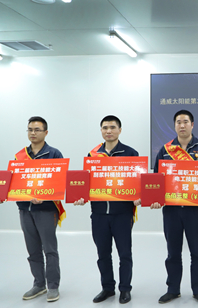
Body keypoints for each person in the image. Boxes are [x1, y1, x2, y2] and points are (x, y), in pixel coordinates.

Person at [151, 109, 198, 305]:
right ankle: (173, 289)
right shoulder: (165, 150)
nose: (182, 125)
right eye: (178, 122)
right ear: (174, 126)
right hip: (171, 210)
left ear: (192, 124)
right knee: (173, 252)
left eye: (186, 122)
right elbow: (156, 179)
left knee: (197, 252)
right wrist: (155, 198)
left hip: (195, 210)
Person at [0, 116, 64, 302]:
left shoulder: (54, 154)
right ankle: (39, 284)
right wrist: (1, 195)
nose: (33, 133)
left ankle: (53, 285)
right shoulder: (19, 156)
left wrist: (44, 196)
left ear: (46, 132)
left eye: (37, 130)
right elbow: (13, 182)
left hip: (46, 210)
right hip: (25, 209)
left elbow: (60, 183)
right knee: (32, 250)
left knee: (49, 249)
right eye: (30, 129)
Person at [75, 115, 139, 304]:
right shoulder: (92, 155)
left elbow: (138, 181)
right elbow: (87, 183)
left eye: (112, 127)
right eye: (105, 128)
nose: (108, 131)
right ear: (101, 131)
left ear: (120, 130)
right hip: (99, 214)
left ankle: (125, 289)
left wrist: (139, 196)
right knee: (103, 254)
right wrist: (81, 196)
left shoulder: (131, 153)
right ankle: (107, 288)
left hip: (122, 213)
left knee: (125, 254)